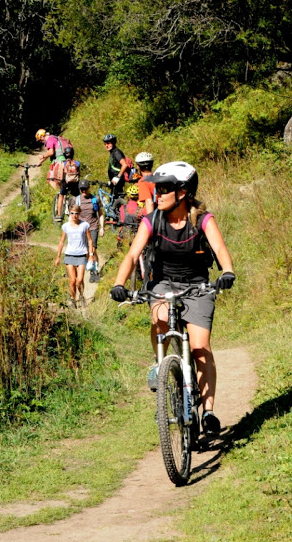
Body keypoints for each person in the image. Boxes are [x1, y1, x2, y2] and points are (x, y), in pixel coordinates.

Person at [110, 161, 235, 437]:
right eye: (158, 188)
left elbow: (220, 248)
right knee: (161, 319)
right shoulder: (151, 220)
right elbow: (132, 255)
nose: (158, 193)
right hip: (163, 283)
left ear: (183, 193)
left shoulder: (202, 220)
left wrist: (227, 272)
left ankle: (209, 411)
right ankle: (162, 364)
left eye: (165, 188)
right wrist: (119, 283)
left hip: (197, 285)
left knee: (201, 348)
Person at [55, 203, 94, 307]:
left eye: (76, 213)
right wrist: (58, 256)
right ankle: (73, 299)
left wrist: (91, 254)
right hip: (70, 255)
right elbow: (61, 242)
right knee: (72, 280)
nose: (74, 215)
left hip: (81, 255)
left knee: (79, 280)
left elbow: (90, 241)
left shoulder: (84, 225)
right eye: (72, 213)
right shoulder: (66, 226)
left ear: (79, 213)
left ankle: (81, 296)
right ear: (69, 213)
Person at [71, 179, 104, 282]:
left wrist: (102, 227)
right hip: (81, 229)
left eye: (85, 189)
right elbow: (72, 215)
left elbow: (101, 213)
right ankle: (93, 266)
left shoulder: (95, 199)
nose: (83, 191)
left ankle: (93, 272)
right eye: (82, 189)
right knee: (86, 251)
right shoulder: (76, 200)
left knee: (92, 250)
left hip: (93, 227)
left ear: (89, 188)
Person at [54, 146, 81, 223]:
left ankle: (59, 215)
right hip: (75, 184)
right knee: (77, 196)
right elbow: (79, 174)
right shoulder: (77, 163)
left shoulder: (63, 163)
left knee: (61, 196)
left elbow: (61, 175)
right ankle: (79, 212)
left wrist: (60, 182)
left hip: (66, 184)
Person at [103, 133, 128, 199]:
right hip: (114, 182)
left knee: (116, 203)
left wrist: (118, 177)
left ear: (113, 142)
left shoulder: (116, 152)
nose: (106, 145)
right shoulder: (112, 152)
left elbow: (124, 164)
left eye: (108, 143)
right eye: (105, 144)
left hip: (117, 182)